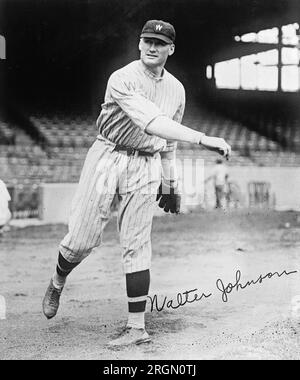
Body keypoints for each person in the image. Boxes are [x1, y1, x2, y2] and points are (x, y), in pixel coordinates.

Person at [42, 20, 231, 346]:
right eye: (146, 40)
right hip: (108, 156)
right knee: (81, 240)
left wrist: (171, 183)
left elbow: (167, 145)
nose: (151, 46)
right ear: (139, 43)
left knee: (137, 243)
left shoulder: (176, 90)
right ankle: (58, 280)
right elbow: (152, 123)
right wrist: (202, 139)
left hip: (146, 162)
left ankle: (136, 328)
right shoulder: (123, 78)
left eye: (159, 42)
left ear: (171, 48)